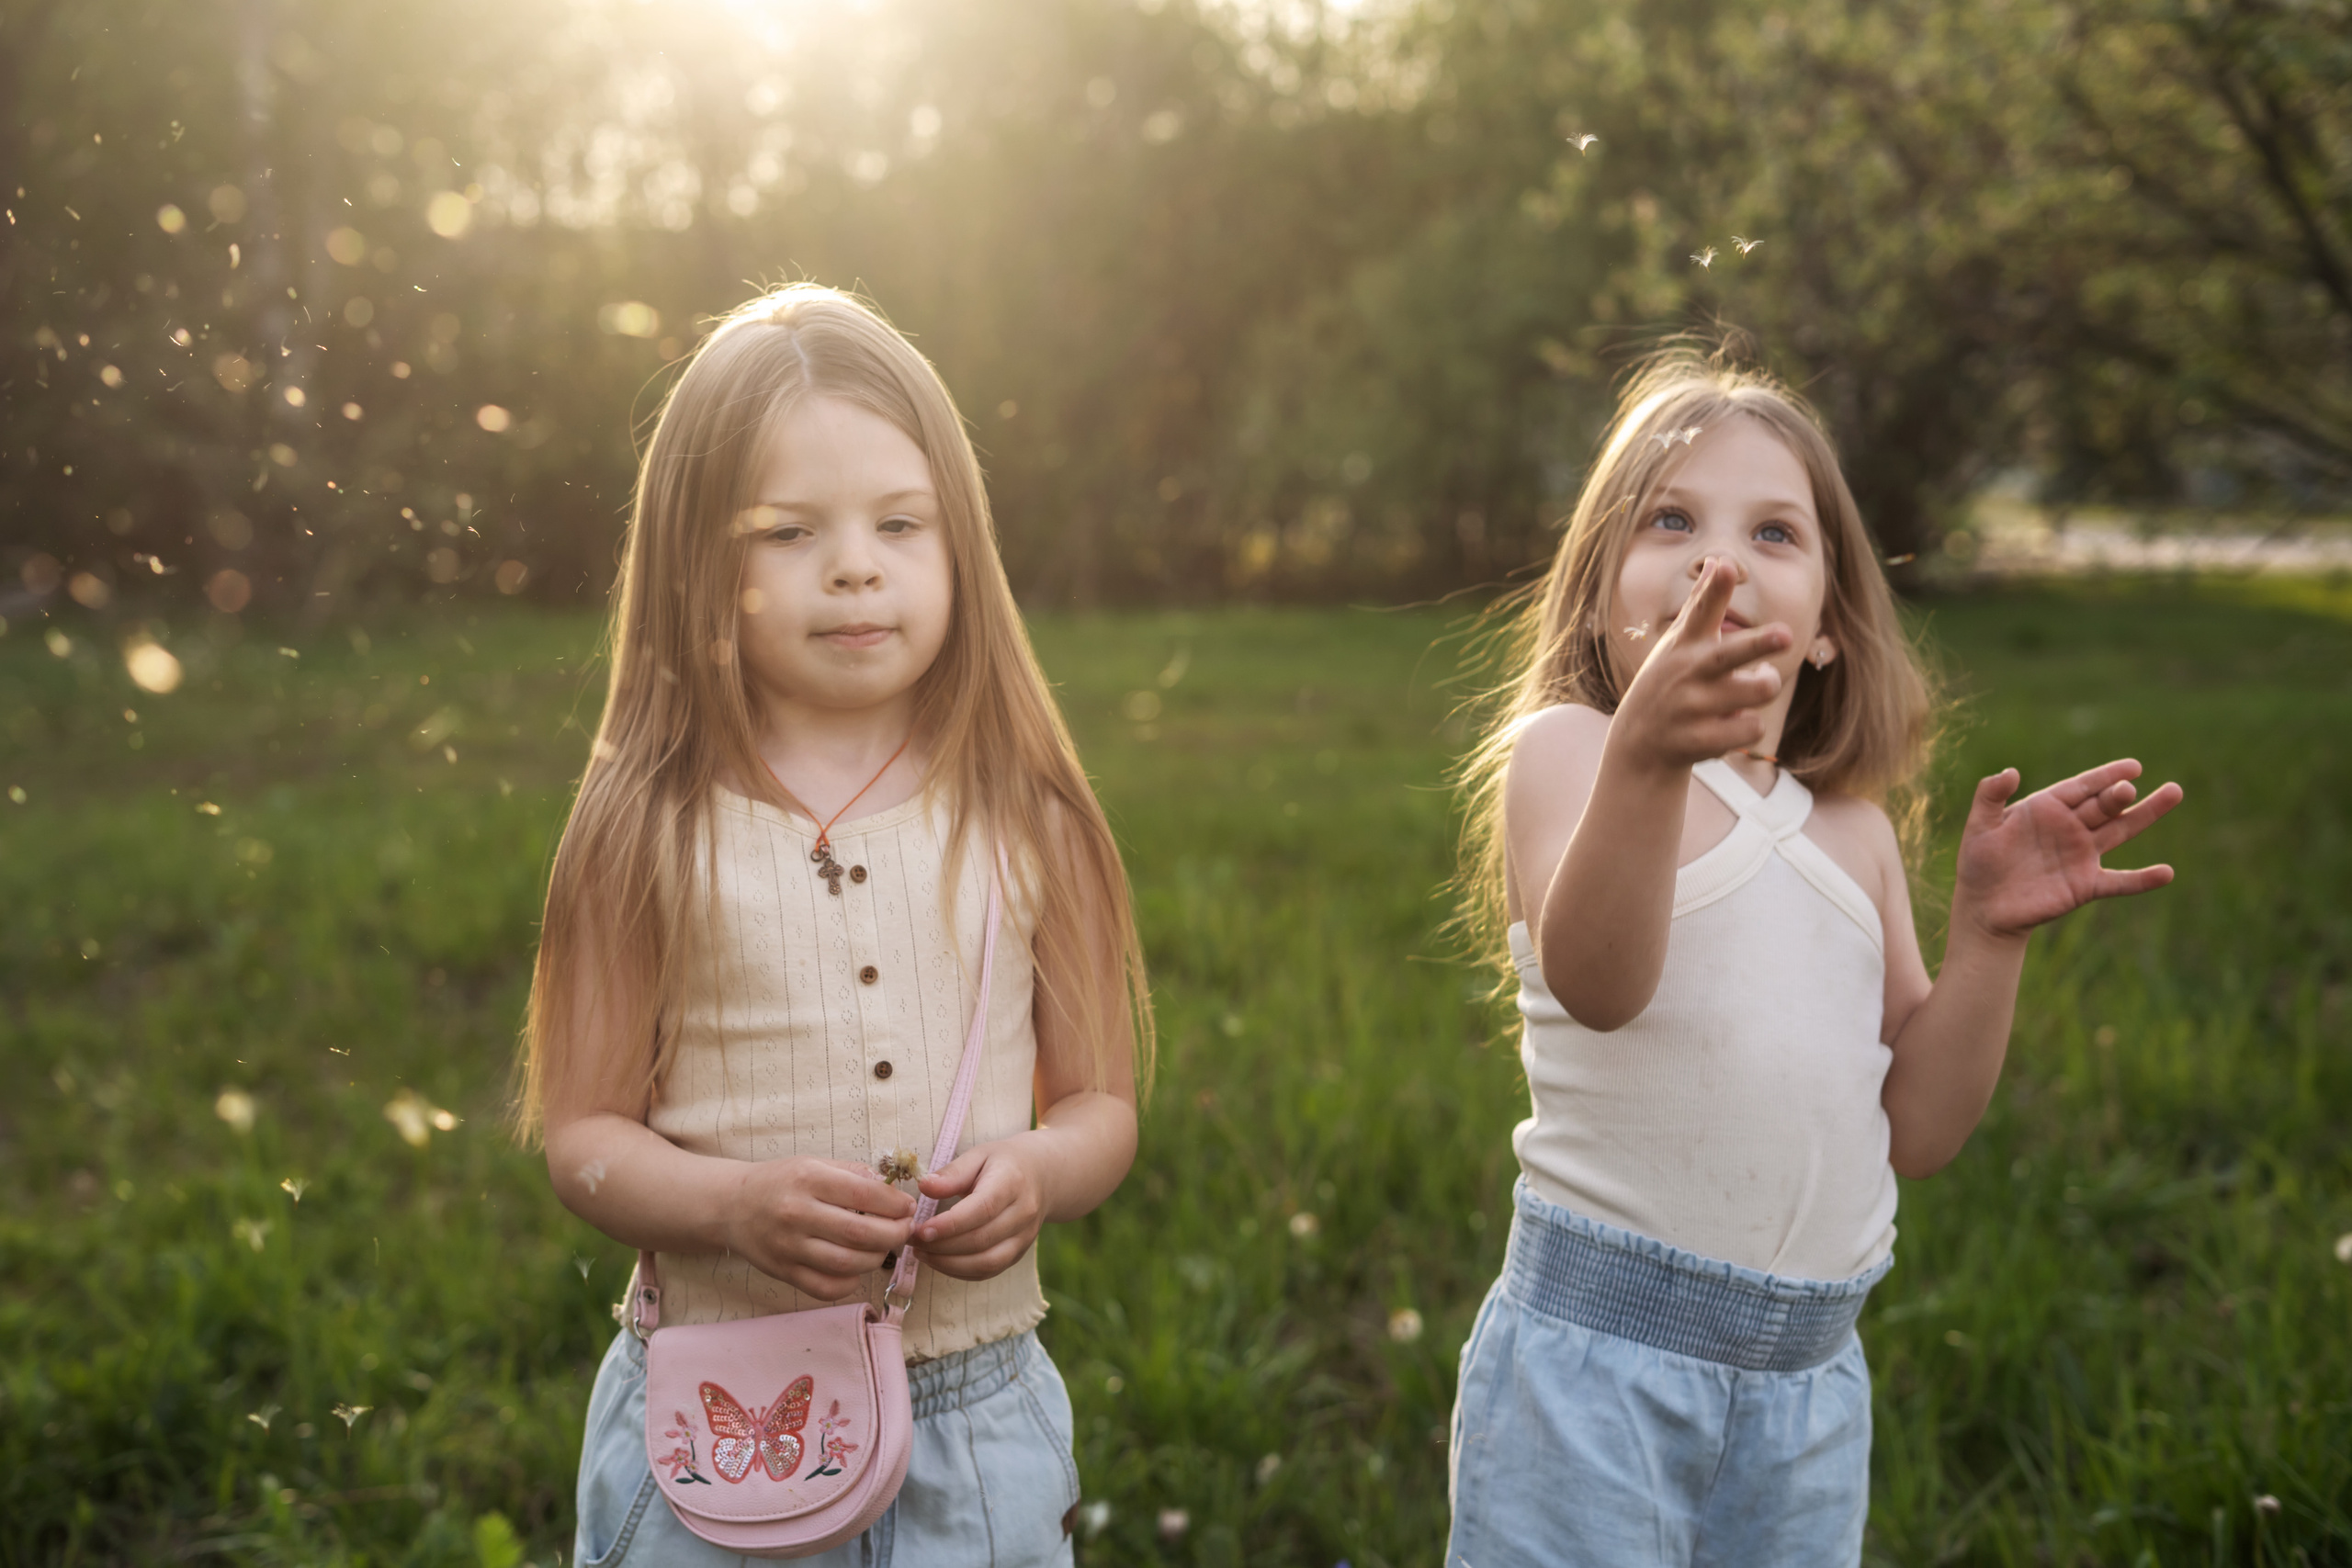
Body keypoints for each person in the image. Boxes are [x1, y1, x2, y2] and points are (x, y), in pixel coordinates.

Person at [1443, 350, 2181, 1566]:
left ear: (1831, 629)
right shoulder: (1572, 752)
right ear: (1593, 600)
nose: (1715, 561)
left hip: (1806, 1390)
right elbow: (1602, 983)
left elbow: (1918, 1131)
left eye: (1773, 532)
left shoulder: (1854, 837)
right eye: (1670, 519)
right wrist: (1647, 757)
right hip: (1596, 1375)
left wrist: (1987, 938)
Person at [519, 284, 1151, 1567]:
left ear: (959, 541)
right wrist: (731, 1205)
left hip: (975, 1422)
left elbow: (1103, 1110)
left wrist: (1037, 1171)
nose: (856, 563)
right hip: (719, 1412)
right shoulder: (645, 825)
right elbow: (583, 1136)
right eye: (790, 531)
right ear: (703, 559)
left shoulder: (1030, 815)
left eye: (900, 523)